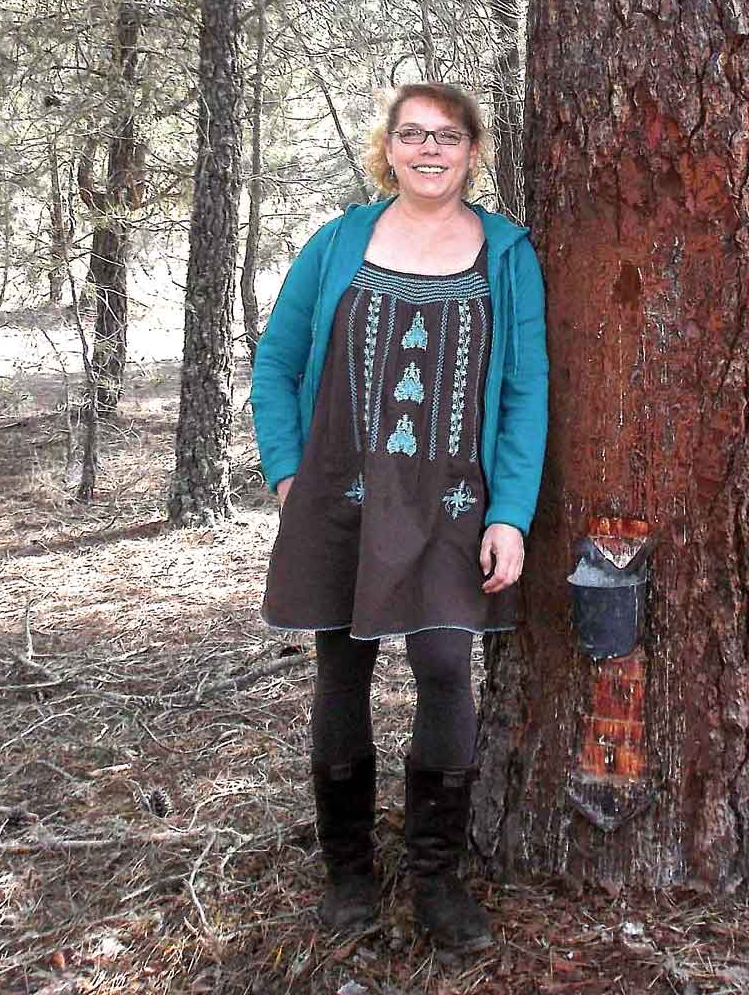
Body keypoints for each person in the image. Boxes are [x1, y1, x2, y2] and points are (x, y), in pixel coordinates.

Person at [249, 82, 548, 952]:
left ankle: (438, 882)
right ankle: (347, 876)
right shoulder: (340, 241)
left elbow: (527, 391)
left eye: (446, 137)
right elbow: (277, 361)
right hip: (342, 494)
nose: (428, 150)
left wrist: (513, 514)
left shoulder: (506, 254)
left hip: (455, 504)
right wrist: (287, 474)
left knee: (446, 668)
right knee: (340, 673)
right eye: (412, 135)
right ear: (390, 147)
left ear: (472, 150)